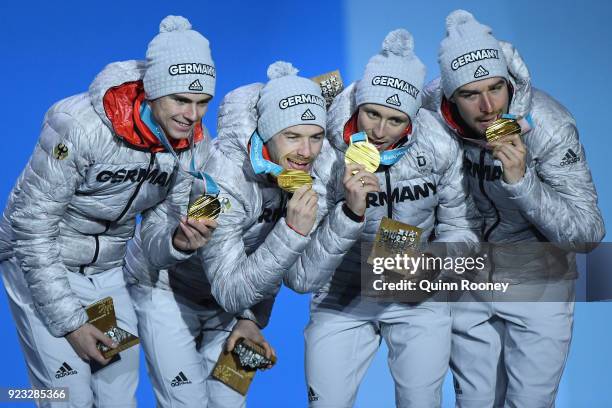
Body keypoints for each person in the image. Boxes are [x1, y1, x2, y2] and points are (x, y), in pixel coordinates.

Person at [0, 15, 217, 407]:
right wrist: (71, 324)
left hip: (107, 269)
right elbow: (31, 225)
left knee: (118, 397)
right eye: (181, 100)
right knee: (68, 397)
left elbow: (154, 235)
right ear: (152, 93)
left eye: (203, 103)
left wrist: (177, 241)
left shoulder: (196, 145)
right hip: (36, 258)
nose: (193, 115)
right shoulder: (80, 125)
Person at [134, 60, 372, 406]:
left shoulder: (306, 170)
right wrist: (291, 231)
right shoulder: (221, 179)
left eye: (315, 137)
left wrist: (350, 214)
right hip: (168, 292)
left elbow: (301, 278)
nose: (306, 152)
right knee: (187, 402)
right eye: (292, 137)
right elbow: (232, 289)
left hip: (234, 309)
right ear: (266, 134)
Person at [422, 10, 605, 407]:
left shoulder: (550, 125)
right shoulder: (427, 118)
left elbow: (589, 234)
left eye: (496, 88)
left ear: (509, 82)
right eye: (471, 94)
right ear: (451, 97)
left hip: (539, 282)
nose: (488, 106)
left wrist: (522, 182)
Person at [301, 29, 481, 407]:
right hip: (342, 292)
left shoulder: (440, 144)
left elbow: (461, 228)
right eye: (371, 114)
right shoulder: (321, 150)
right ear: (358, 106)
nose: (379, 132)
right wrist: (349, 212)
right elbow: (302, 269)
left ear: (412, 119)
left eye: (395, 120)